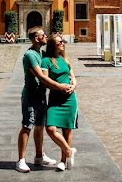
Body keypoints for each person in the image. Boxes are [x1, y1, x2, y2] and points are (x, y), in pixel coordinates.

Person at [16, 26, 74, 173]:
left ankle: (39, 156)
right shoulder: (30, 55)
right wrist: (60, 86)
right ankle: (21, 160)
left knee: (40, 127)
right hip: (30, 95)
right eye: (43, 35)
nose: (45, 36)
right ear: (37, 38)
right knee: (27, 125)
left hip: (41, 95)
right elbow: (41, 77)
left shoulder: (40, 53)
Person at [42, 33, 79, 170]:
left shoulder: (65, 59)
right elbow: (45, 81)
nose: (62, 43)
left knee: (67, 130)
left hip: (70, 99)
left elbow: (73, 77)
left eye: (62, 41)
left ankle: (63, 160)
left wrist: (73, 85)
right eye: (59, 42)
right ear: (53, 45)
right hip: (55, 99)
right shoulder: (46, 61)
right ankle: (69, 151)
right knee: (51, 128)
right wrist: (59, 87)